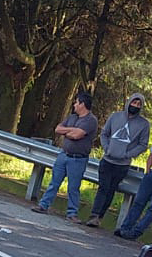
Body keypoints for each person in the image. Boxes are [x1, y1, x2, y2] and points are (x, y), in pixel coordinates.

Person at [32, 92, 99, 223]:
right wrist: (71, 130)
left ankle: (72, 213)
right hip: (64, 155)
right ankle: (43, 205)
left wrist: (67, 131)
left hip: (78, 159)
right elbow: (57, 129)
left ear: (82, 104)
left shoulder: (91, 120)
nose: (74, 104)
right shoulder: (72, 117)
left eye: (76, 102)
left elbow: (77, 135)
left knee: (73, 187)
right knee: (54, 182)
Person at [84, 94, 150, 227]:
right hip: (107, 160)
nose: (135, 106)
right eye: (134, 103)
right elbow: (104, 134)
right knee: (103, 187)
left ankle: (100, 216)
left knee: (111, 190)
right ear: (129, 102)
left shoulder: (144, 124)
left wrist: (127, 154)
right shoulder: (115, 116)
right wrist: (107, 148)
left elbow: (143, 145)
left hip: (122, 165)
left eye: (138, 105)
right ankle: (94, 215)